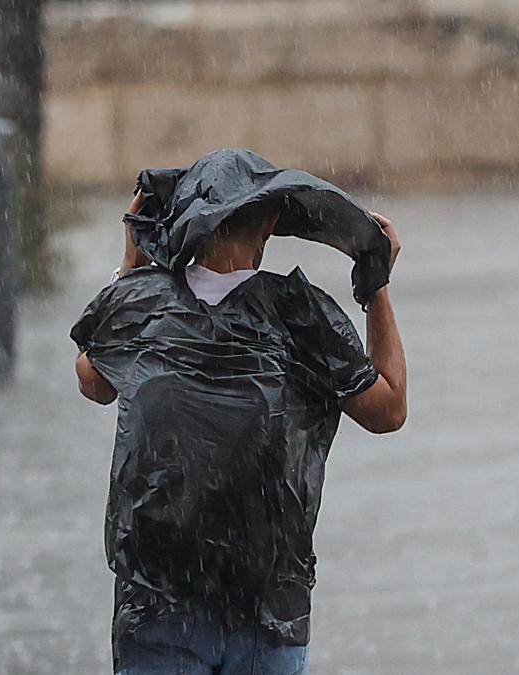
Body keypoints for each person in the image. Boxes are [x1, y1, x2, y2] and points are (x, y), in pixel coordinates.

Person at [72, 177, 407, 675]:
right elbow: (389, 409)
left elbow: (92, 380)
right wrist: (374, 286)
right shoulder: (300, 312)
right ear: (271, 224)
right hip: (266, 609)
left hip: (159, 606)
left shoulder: (143, 303)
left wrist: (132, 266)